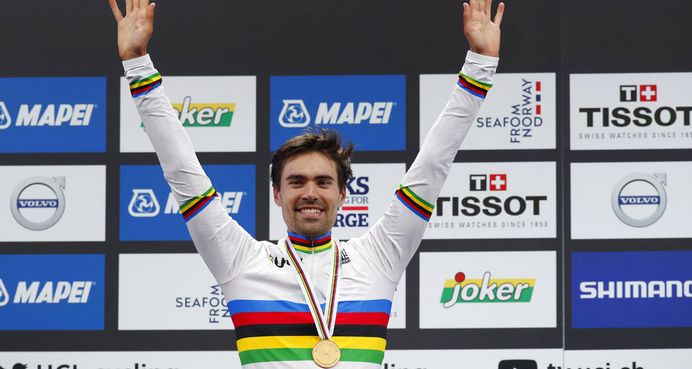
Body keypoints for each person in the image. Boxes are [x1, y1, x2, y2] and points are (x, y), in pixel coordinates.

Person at [109, 0, 504, 367]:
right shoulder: (241, 261)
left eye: (323, 181)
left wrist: (480, 65)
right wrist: (137, 62)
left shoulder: (380, 257)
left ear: (343, 194)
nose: (310, 193)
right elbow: (183, 173)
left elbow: (433, 165)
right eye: (296, 182)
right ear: (277, 194)